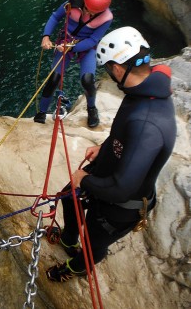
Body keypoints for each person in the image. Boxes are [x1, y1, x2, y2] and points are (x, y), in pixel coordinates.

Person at [46, 26, 177, 282]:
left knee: (94, 242)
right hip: (111, 174)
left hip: (120, 206)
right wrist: (105, 147)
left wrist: (84, 179)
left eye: (108, 68)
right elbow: (124, 134)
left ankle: (77, 267)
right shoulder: (144, 92)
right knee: (67, 195)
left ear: (117, 68)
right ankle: (69, 240)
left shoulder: (147, 122)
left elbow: (119, 189)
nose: (109, 73)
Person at [34, 0, 113, 127]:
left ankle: (91, 109)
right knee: (54, 79)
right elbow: (55, 17)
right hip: (66, 39)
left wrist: (71, 48)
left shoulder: (107, 17)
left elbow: (93, 40)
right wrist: (46, 36)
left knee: (88, 80)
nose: (89, 13)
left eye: (95, 12)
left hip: (86, 46)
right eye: (88, 9)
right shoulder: (72, 3)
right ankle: (41, 112)